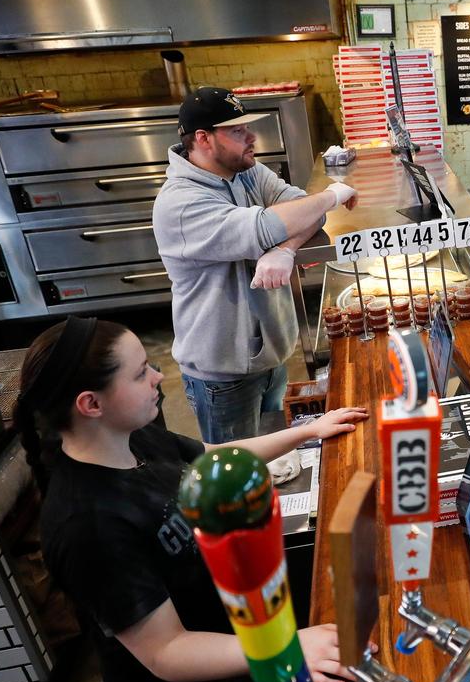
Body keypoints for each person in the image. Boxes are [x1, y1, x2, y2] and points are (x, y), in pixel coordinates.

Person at [16, 316, 369, 682]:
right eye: (140, 372)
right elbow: (167, 651)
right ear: (91, 404)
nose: (158, 376)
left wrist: (308, 431)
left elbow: (214, 457)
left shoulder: (133, 438)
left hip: (228, 634)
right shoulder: (86, 523)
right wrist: (284, 648)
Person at [152, 86, 358, 442]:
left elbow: (304, 211)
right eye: (237, 131)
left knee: (274, 456)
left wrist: (285, 250)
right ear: (203, 138)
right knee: (240, 466)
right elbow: (268, 225)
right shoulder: (181, 203)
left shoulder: (244, 171)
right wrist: (333, 195)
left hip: (269, 356)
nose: (251, 137)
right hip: (224, 374)